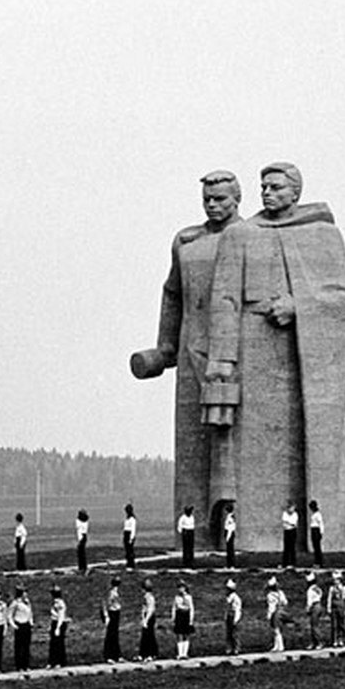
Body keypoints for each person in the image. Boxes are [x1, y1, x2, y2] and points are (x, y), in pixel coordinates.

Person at [195, 163, 345, 554]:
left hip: (304, 360)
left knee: (305, 443)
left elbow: (343, 298)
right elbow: (224, 299)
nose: (267, 193)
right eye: (263, 187)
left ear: (295, 192)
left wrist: (299, 305)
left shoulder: (323, 235)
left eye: (276, 187)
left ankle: (314, 539)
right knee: (251, 449)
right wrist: (222, 361)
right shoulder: (240, 235)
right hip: (252, 351)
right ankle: (253, 537)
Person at [131, 169, 244, 534]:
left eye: (220, 199)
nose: (212, 205)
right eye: (207, 199)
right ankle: (194, 530)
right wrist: (165, 344)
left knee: (229, 442)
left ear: (237, 199)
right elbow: (172, 294)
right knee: (193, 440)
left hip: (234, 353)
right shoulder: (186, 240)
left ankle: (232, 526)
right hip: (190, 346)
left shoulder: (251, 237)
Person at [8, 585, 34, 671]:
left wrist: (31, 622)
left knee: (26, 646)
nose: (25, 594)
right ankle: (19, 666)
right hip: (19, 624)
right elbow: (9, 615)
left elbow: (30, 613)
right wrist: (13, 625)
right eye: (24, 592)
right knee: (19, 646)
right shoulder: (16, 603)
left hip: (26, 625)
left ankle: (26, 665)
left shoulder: (27, 602)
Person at [101, 576, 123, 663]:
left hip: (116, 613)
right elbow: (106, 605)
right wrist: (106, 616)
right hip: (112, 613)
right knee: (111, 634)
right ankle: (109, 655)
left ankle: (117, 654)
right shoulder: (111, 593)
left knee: (115, 634)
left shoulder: (115, 592)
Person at [171, 580, 195, 659]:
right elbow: (174, 607)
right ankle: (180, 653)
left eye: (182, 587)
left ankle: (185, 653)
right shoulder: (176, 597)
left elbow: (191, 608)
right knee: (179, 635)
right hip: (179, 616)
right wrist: (173, 617)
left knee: (186, 635)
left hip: (186, 615)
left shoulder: (188, 597)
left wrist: (191, 619)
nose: (180, 589)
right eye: (179, 588)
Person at [327, 571, 345, 647]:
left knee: (341, 624)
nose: (335, 582)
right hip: (334, 608)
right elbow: (329, 599)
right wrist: (329, 608)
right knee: (334, 625)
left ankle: (341, 640)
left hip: (341, 607)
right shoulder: (332, 589)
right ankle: (334, 640)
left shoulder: (344, 589)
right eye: (334, 580)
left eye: (337, 580)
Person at [48, 585, 70, 668]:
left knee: (58, 643)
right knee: (53, 643)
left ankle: (59, 661)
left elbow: (61, 616)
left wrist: (58, 628)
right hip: (55, 622)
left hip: (59, 623)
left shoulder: (60, 603)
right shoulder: (54, 603)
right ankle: (53, 661)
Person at [266, 577, 289, 652]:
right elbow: (285, 602)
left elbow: (271, 606)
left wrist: (269, 615)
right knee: (279, 629)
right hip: (282, 611)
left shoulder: (270, 595)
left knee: (276, 629)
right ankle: (276, 646)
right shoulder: (281, 593)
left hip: (275, 612)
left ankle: (280, 646)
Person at [138, 578, 159, 661]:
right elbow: (143, 608)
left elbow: (151, 609)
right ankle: (144, 653)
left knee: (149, 635)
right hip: (146, 616)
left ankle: (150, 653)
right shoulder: (145, 597)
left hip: (149, 617)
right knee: (145, 635)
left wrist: (146, 620)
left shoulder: (150, 598)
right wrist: (143, 618)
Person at [304, 572, 325, 650]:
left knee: (314, 625)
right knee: (315, 624)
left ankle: (319, 642)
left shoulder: (310, 590)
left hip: (314, 606)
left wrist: (308, 608)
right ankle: (314, 642)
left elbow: (309, 601)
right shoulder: (318, 588)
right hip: (319, 605)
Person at [224, 579, 243, 656]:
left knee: (234, 633)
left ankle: (236, 648)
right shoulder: (229, 597)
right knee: (229, 633)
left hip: (234, 615)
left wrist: (236, 619)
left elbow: (237, 609)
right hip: (229, 615)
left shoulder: (235, 598)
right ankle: (229, 648)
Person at [308, 501, 325, 568]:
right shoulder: (314, 514)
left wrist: (321, 532)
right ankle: (316, 561)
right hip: (313, 529)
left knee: (317, 547)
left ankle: (319, 562)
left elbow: (321, 523)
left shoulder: (318, 514)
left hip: (316, 530)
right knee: (315, 547)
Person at [122, 503, 138, 569]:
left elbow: (133, 529)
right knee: (127, 550)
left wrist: (131, 538)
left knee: (130, 550)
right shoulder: (127, 518)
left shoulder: (132, 519)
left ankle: (131, 564)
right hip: (126, 534)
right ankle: (128, 563)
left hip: (129, 535)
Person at [222, 504, 237, 569]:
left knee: (230, 550)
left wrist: (228, 536)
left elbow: (230, 528)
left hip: (229, 533)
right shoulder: (230, 516)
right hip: (230, 533)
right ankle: (229, 564)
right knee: (229, 550)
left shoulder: (230, 517)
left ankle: (231, 564)